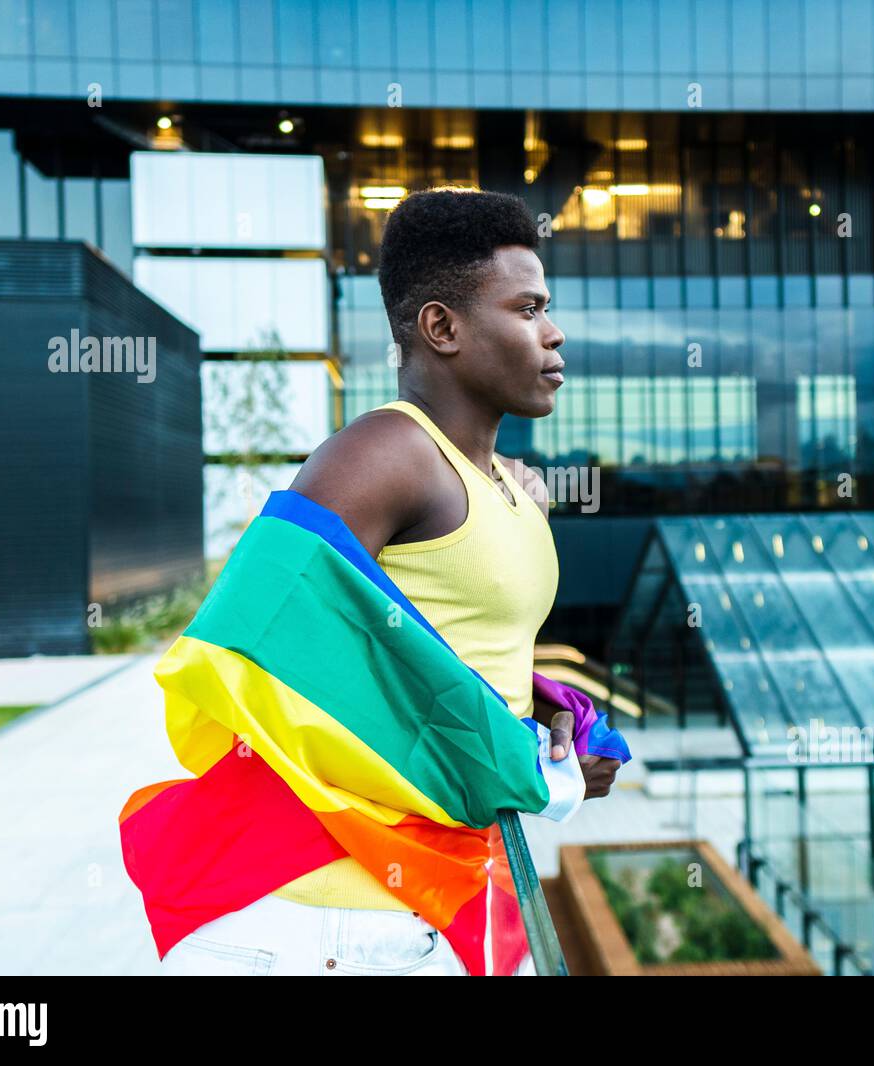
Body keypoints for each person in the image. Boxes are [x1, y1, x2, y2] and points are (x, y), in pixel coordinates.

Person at [160, 188, 622, 976]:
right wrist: (499, 746)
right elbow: (250, 640)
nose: (554, 332)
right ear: (441, 327)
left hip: (427, 902)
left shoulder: (507, 482)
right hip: (328, 923)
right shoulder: (385, 453)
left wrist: (542, 713)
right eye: (527, 308)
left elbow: (428, 639)